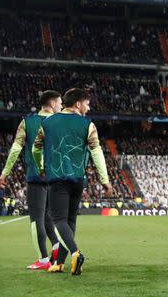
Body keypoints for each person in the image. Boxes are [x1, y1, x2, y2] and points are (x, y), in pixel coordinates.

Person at [32, 88, 113, 275]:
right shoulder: (88, 125)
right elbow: (96, 152)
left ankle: (76, 253)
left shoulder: (48, 122)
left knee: (58, 220)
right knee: (70, 221)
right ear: (77, 104)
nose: (89, 107)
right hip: (78, 181)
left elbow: (36, 148)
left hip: (57, 179)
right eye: (87, 103)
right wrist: (105, 180)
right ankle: (59, 263)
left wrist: (41, 167)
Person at [0, 89, 63, 269]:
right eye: (59, 103)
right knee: (48, 217)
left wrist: (5, 172)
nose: (61, 106)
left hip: (36, 177)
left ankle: (43, 260)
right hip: (57, 179)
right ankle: (57, 248)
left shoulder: (27, 122)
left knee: (36, 220)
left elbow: (16, 149)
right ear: (51, 104)